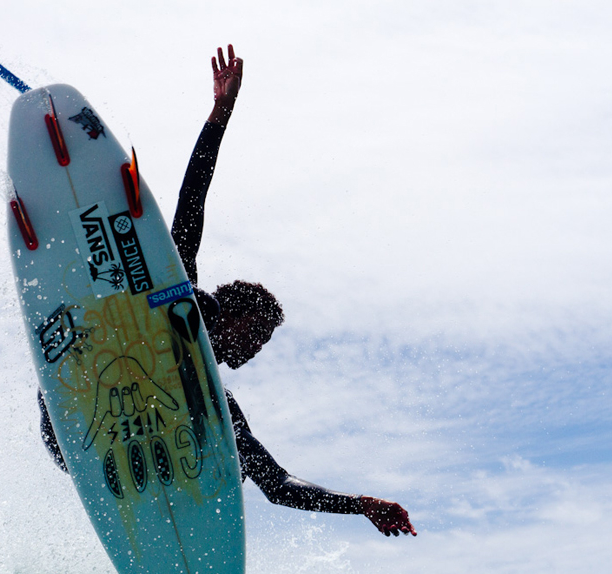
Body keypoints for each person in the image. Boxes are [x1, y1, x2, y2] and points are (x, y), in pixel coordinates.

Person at [39, 45, 416, 538]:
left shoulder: (219, 406)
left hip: (104, 445)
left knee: (228, 456)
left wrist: (361, 505)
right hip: (75, 396)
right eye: (255, 334)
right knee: (190, 304)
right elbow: (192, 199)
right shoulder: (186, 299)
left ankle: (168, 507)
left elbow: (278, 485)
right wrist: (219, 116)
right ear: (235, 317)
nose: (255, 350)